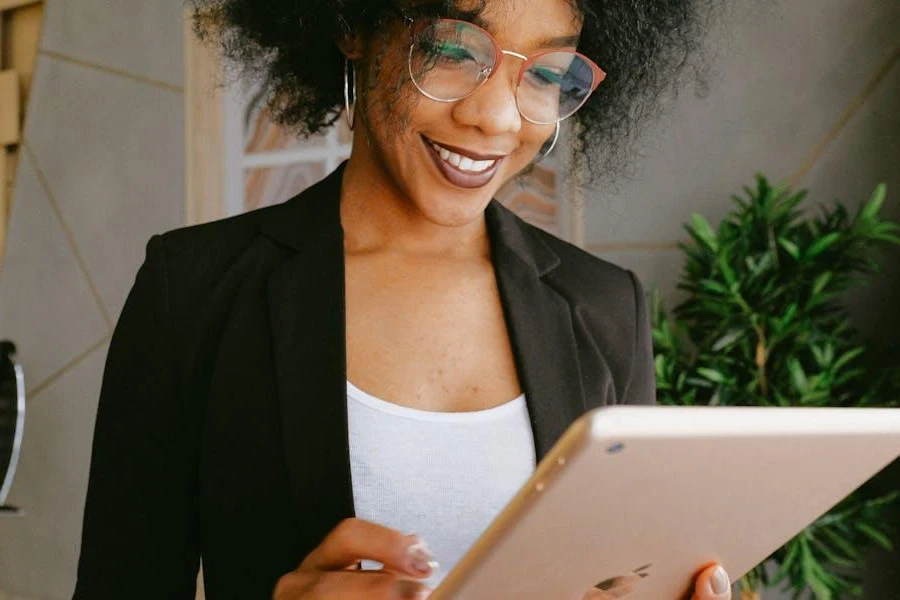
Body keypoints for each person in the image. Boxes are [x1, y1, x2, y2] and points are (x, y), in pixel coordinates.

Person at [73, 0, 732, 598]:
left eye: (547, 74)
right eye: (452, 51)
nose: (497, 117)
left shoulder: (605, 305)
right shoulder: (193, 291)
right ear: (353, 25)